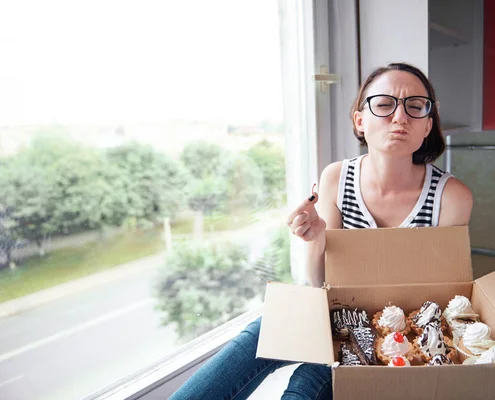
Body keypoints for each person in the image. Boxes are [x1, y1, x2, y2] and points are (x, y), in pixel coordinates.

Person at [169, 62, 473, 400]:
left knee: (305, 386)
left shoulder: (452, 197)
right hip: (326, 310)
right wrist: (316, 240)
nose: (400, 117)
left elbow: (439, 304)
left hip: (391, 335)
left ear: (428, 125)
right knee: (246, 346)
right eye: (385, 105)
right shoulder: (337, 178)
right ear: (360, 120)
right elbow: (319, 285)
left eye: (415, 107)